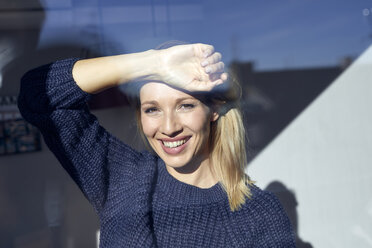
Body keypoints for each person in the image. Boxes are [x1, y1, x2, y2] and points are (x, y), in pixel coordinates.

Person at [18, 42, 296, 247]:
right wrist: (151, 64)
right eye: (152, 109)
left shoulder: (260, 213)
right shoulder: (121, 177)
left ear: (214, 111)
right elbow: (38, 94)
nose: (168, 127)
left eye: (185, 105)